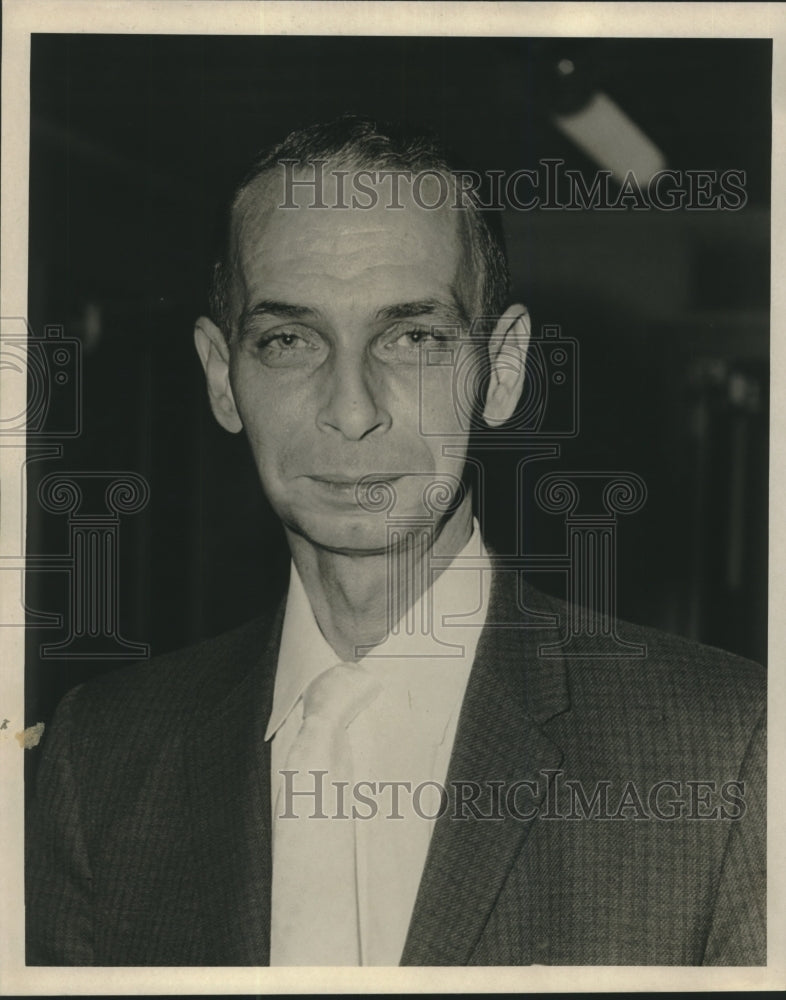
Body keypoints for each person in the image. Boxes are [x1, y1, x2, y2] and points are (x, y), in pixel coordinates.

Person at [26, 116, 766, 967]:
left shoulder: (727, 752)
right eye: (289, 341)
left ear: (506, 369)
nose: (351, 409)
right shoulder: (102, 758)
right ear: (223, 379)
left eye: (413, 338)